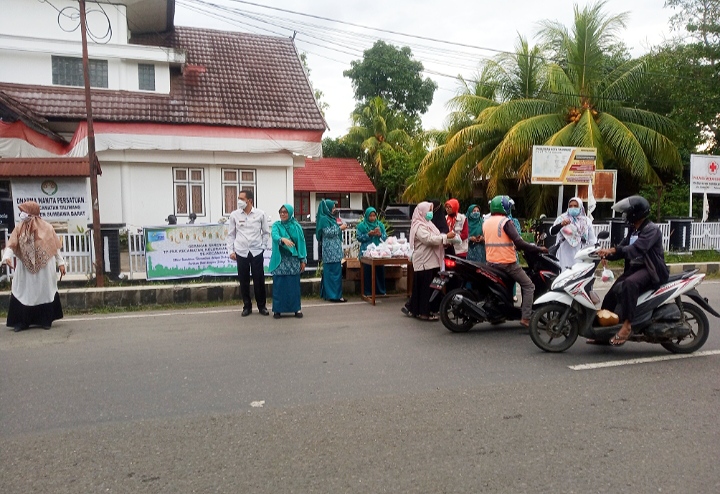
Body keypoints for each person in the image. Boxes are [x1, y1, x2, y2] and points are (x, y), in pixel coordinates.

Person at [598, 195, 669, 346]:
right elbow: (623, 248)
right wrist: (606, 254)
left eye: (627, 212)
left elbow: (636, 249)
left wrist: (613, 249)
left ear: (636, 213)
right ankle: (604, 330)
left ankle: (627, 326)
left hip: (651, 270)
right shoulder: (633, 229)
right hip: (635, 268)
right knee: (612, 294)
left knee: (630, 284)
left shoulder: (651, 230)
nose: (625, 215)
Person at [483, 195, 546, 327]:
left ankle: (498, 316)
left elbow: (500, 240)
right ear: (504, 207)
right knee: (529, 286)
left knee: (505, 288)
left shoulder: (487, 222)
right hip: (507, 263)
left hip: (491, 262)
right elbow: (518, 241)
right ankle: (526, 317)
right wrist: (538, 249)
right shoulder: (505, 222)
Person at [2, 201, 65, 331]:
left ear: (32, 213)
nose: (22, 214)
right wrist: (6, 257)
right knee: (24, 292)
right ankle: (22, 322)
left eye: (25, 211)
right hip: (25, 269)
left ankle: (45, 320)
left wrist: (61, 263)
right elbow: (12, 244)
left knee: (44, 291)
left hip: (44, 269)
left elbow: (55, 247)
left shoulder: (47, 228)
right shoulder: (19, 227)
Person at [402, 201, 456, 321]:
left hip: (431, 261)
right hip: (424, 262)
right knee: (425, 289)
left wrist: (446, 240)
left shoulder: (428, 223)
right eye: (429, 210)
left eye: (431, 210)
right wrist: (445, 237)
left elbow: (436, 237)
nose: (430, 213)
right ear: (422, 211)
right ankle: (424, 313)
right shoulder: (419, 225)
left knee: (426, 288)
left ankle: (416, 310)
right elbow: (429, 239)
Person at [227, 189, 270, 317]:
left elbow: (266, 233)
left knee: (259, 280)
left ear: (249, 200)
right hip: (241, 251)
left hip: (256, 252)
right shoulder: (234, 215)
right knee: (243, 280)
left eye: (241, 199)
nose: (239, 201)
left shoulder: (260, 214)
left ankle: (262, 306)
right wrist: (231, 251)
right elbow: (231, 235)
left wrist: (262, 247)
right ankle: (247, 306)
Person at [269, 204, 306, 318]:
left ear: (290, 213)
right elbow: (274, 235)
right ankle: (278, 310)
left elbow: (301, 243)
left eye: (285, 212)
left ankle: (296, 309)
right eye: (281, 212)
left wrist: (302, 260)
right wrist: (282, 239)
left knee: (293, 285)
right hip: (280, 259)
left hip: (293, 260)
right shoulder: (276, 225)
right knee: (279, 285)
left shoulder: (296, 226)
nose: (282, 214)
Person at [550, 197, 597, 270]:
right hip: (564, 252)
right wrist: (561, 225)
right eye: (570, 206)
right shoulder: (562, 218)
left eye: (575, 206)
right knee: (565, 273)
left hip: (580, 253)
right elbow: (552, 232)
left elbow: (592, 240)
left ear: (580, 207)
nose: (573, 208)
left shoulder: (586, 221)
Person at [316, 199, 348, 302]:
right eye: (333, 207)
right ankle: (335, 296)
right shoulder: (324, 219)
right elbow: (327, 232)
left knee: (332, 273)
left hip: (334, 250)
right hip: (330, 251)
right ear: (327, 208)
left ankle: (329, 294)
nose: (334, 209)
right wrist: (340, 228)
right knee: (333, 274)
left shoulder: (330, 218)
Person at [356, 206, 388, 296]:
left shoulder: (380, 225)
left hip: (379, 252)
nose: (372, 218)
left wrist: (380, 234)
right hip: (366, 253)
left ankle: (381, 291)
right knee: (367, 272)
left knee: (379, 271)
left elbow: (385, 237)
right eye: (370, 216)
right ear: (366, 216)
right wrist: (368, 235)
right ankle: (368, 292)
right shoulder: (361, 226)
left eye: (374, 216)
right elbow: (359, 237)